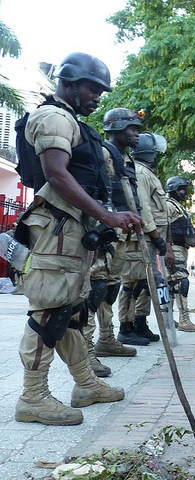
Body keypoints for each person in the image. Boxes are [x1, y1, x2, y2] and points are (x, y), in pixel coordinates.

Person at [15, 52, 143, 426]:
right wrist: (107, 215)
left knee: (71, 311)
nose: (98, 96)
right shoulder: (53, 117)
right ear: (69, 81)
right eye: (93, 88)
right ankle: (33, 398)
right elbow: (55, 174)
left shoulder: (71, 121)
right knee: (48, 312)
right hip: (57, 231)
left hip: (72, 232)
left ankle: (86, 384)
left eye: (102, 90)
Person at [83, 108, 144, 378]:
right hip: (104, 233)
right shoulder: (104, 153)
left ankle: (106, 339)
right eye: (132, 128)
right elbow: (96, 193)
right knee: (94, 291)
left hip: (120, 234)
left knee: (110, 289)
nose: (136, 133)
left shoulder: (123, 158)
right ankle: (85, 353)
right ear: (117, 128)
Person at [118, 131, 173, 345]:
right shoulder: (140, 172)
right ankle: (126, 327)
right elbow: (143, 208)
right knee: (131, 284)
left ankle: (140, 323)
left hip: (150, 239)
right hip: (141, 237)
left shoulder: (147, 173)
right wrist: (155, 235)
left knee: (145, 283)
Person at [165, 176, 195, 332]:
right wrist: (168, 249)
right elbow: (163, 227)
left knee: (173, 284)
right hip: (174, 248)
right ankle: (184, 320)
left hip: (181, 248)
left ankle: (169, 320)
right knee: (180, 282)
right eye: (182, 189)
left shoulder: (178, 206)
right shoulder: (168, 205)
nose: (185, 192)